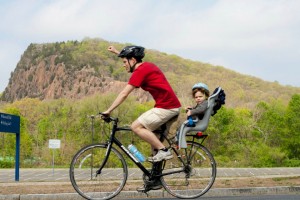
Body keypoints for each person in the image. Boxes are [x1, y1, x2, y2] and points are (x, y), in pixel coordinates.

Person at [102, 45, 181, 163]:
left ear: (133, 60)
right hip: (169, 106)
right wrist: (116, 52)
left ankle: (164, 151)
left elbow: (124, 93)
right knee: (154, 140)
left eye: (124, 62)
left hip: (167, 107)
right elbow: (129, 60)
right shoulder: (145, 66)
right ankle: (156, 178)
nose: (123, 64)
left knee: (136, 127)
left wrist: (108, 110)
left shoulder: (140, 71)